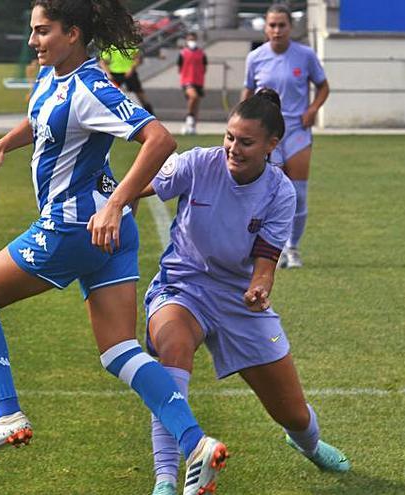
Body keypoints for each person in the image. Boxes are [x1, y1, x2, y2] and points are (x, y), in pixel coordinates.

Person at [0, 2, 227, 494]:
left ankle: (7, 414)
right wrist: (2, 145)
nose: (33, 41)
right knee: (119, 351)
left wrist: (116, 199)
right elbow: (40, 122)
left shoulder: (89, 86)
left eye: (43, 31)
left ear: (73, 33)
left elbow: (159, 140)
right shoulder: (51, 78)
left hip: (76, 227)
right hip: (112, 232)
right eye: (32, 31)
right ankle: (197, 444)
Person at [139, 89, 350, 495]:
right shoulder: (198, 163)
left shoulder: (280, 191)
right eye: (230, 137)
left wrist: (259, 288)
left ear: (272, 144)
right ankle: (165, 479)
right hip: (182, 287)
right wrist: (112, 203)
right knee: (173, 351)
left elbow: (266, 265)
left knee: (293, 414)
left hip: (238, 300)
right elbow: (139, 185)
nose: (234, 148)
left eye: (246, 142)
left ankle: (308, 444)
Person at [241, 3, 329, 269]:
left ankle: (293, 248)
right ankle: (268, 249)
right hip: (266, 136)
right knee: (266, 192)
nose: (277, 30)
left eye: (282, 25)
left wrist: (313, 109)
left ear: (291, 28)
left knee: (299, 194)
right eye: (272, 25)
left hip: (297, 132)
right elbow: (247, 93)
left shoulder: (305, 55)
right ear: (266, 28)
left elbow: (323, 86)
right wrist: (241, 124)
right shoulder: (255, 58)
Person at [99, 44, 155, 114]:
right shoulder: (109, 48)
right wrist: (108, 73)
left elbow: (137, 59)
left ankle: (150, 113)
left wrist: (131, 69)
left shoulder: (130, 45)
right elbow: (102, 62)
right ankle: (109, 113)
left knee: (140, 94)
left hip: (129, 72)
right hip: (114, 74)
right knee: (111, 95)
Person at [177, 32, 207, 135]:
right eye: (190, 39)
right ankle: (189, 118)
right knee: (193, 96)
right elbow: (180, 67)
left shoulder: (201, 53)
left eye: (193, 39)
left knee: (196, 103)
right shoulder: (183, 53)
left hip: (198, 81)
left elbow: (204, 67)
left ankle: (192, 127)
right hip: (187, 80)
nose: (192, 42)